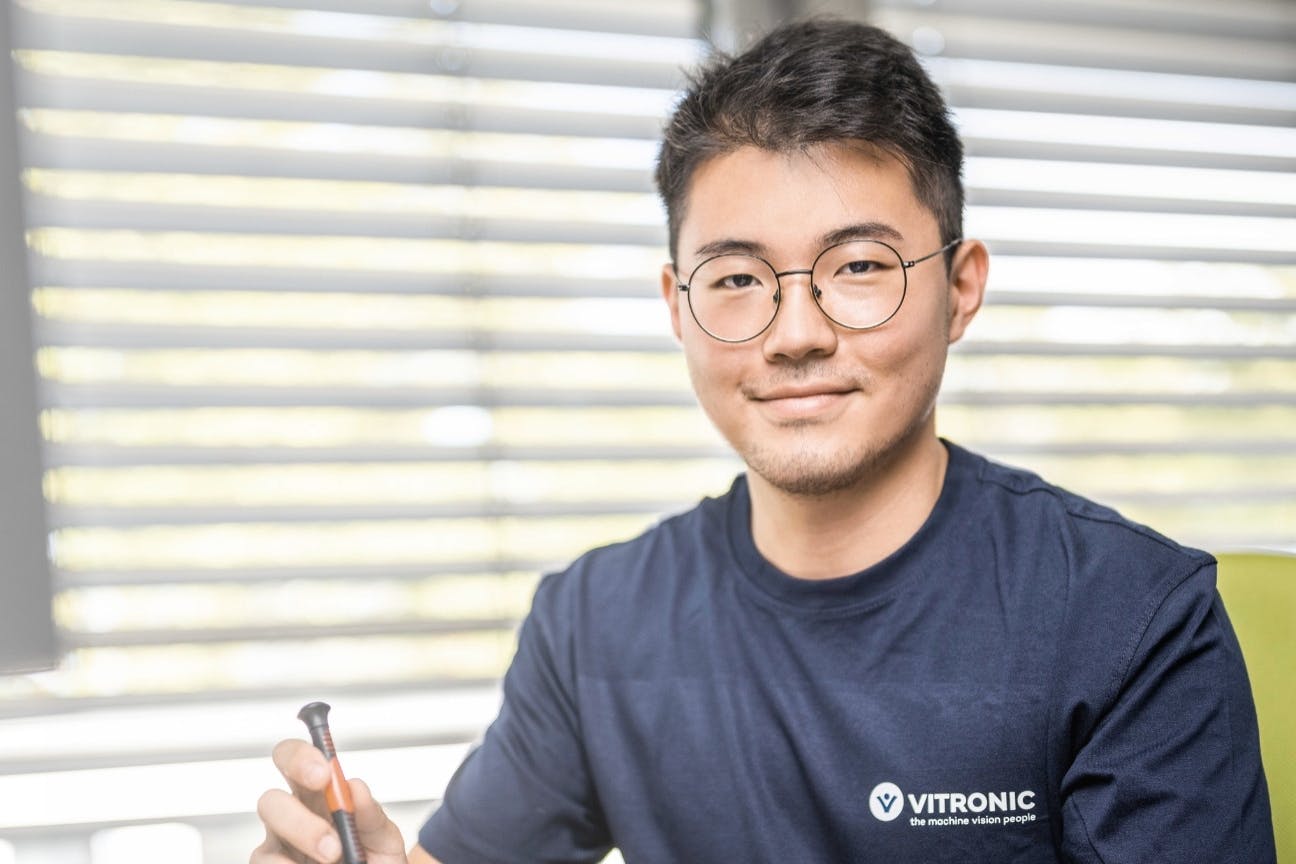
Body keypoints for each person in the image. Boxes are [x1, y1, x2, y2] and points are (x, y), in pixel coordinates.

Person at [251, 17, 1275, 864]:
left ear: (960, 290)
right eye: (737, 278)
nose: (795, 335)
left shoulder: (1131, 616)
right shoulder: (594, 623)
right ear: (677, 307)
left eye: (859, 267)